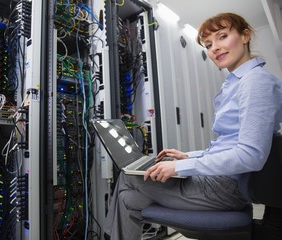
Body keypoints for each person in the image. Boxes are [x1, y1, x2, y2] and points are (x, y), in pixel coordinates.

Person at [103, 12, 282, 240]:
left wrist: (180, 168)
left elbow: (250, 156)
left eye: (223, 36)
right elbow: (228, 145)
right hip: (222, 181)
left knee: (129, 177)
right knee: (129, 198)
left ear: (245, 35)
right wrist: (188, 156)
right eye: (208, 44)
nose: (215, 48)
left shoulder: (255, 82)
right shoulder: (239, 82)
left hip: (225, 188)